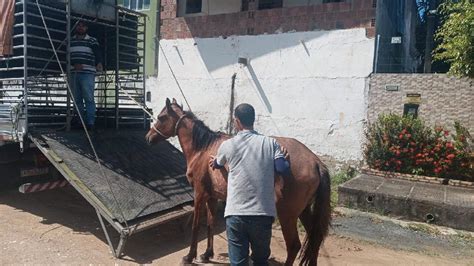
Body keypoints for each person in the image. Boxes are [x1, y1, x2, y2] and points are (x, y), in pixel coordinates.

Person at [209, 103, 290, 266]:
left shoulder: (227, 145)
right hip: (263, 215)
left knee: (238, 262)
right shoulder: (270, 143)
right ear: (254, 120)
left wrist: (215, 162)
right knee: (260, 261)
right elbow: (282, 168)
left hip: (236, 214)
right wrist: (285, 159)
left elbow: (217, 163)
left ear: (236, 122)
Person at [70, 20, 103, 131]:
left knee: (88, 98)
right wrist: (73, 66)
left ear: (86, 28)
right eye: (78, 25)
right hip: (74, 73)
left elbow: (98, 53)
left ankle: (90, 123)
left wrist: (99, 63)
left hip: (87, 73)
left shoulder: (92, 40)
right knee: (77, 99)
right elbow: (64, 56)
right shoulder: (70, 41)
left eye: (83, 26)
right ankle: (81, 122)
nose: (80, 27)